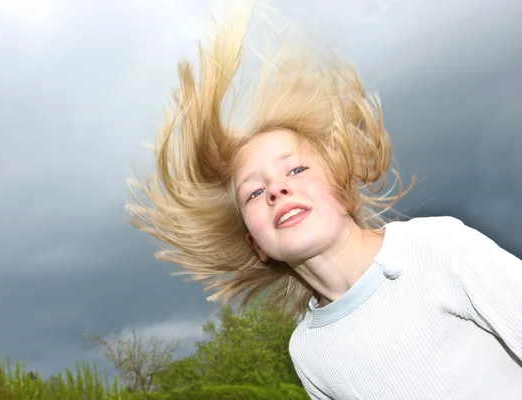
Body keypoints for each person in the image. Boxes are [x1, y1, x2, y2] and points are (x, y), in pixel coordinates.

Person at [125, 1, 522, 398]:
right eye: (255, 192)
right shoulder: (309, 351)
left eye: (296, 170)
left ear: (342, 188)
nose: (277, 190)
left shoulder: (437, 248)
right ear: (257, 245)